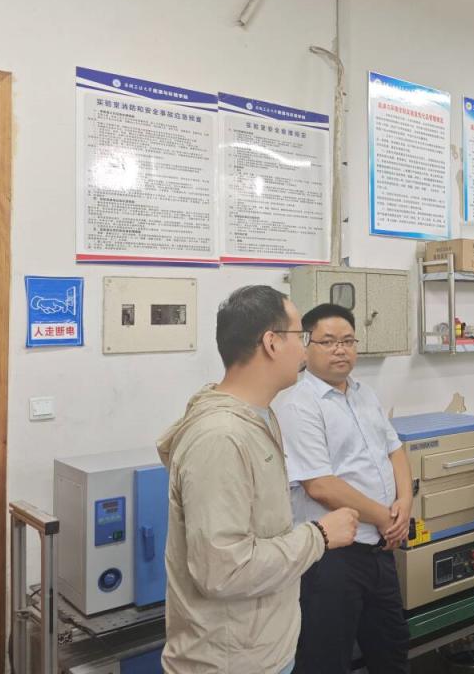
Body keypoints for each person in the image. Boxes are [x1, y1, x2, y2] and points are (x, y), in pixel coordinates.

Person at [157, 286, 359, 673]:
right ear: (271, 342)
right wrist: (319, 535)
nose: (304, 349)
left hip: (263, 649)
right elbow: (224, 570)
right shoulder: (220, 438)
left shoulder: (260, 417)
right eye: (300, 336)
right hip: (229, 662)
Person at [273, 303, 412, 673]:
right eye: (329, 341)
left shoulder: (364, 393)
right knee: (326, 659)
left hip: (380, 549)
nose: (340, 349)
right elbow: (320, 485)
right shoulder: (298, 403)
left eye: (348, 341)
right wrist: (385, 517)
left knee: (392, 649)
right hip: (332, 559)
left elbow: (395, 449)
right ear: (306, 346)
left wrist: (405, 503)